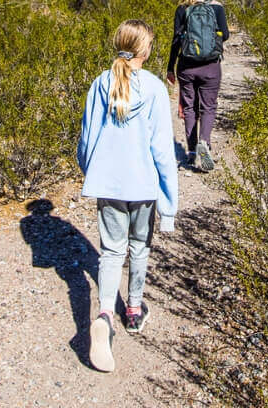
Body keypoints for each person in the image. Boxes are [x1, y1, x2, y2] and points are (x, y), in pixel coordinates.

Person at [77, 19, 178, 373]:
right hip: (143, 186)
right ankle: (133, 310)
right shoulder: (153, 89)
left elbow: (87, 140)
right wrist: (169, 204)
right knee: (139, 247)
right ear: (145, 50)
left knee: (110, 251)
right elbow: (163, 150)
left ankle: (104, 312)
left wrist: (92, 170)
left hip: (108, 184)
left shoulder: (99, 84)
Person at [166, 0, 230, 172]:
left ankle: (192, 152)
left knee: (189, 107)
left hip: (186, 66)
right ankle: (204, 141)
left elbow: (176, 41)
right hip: (211, 65)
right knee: (208, 107)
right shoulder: (217, 7)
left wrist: (170, 67)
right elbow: (225, 35)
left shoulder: (182, 9)